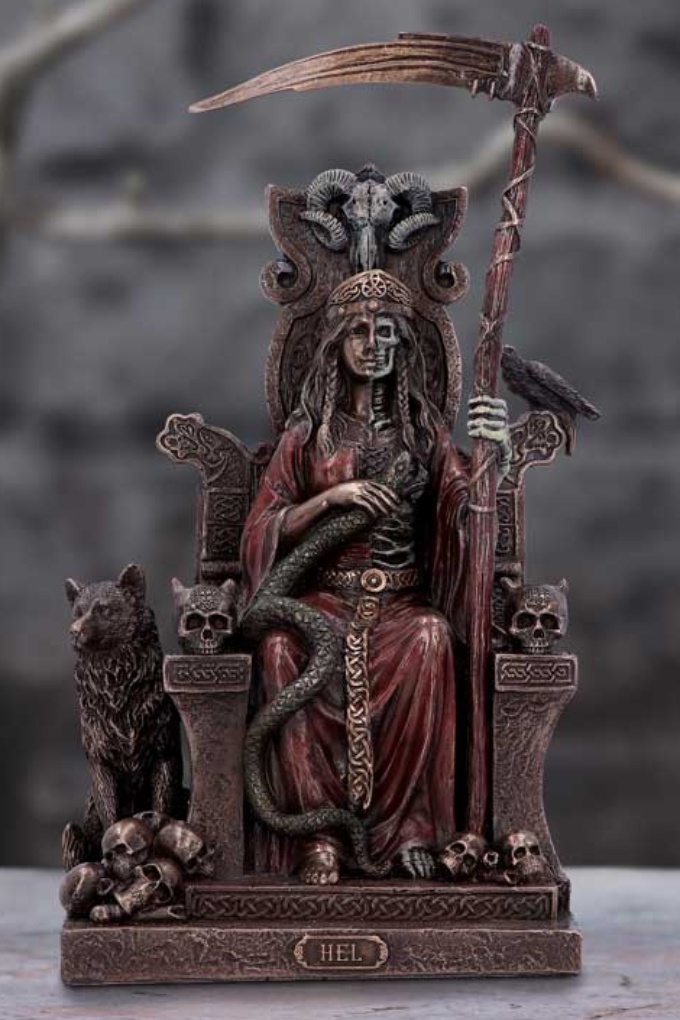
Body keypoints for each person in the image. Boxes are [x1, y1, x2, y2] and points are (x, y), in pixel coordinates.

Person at [241, 269, 509, 885]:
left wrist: (495, 452)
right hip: (322, 598)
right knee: (280, 649)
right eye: (359, 332)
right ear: (336, 344)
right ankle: (319, 835)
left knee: (430, 638)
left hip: (400, 603)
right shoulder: (308, 437)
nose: (373, 344)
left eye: (386, 332)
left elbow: (463, 507)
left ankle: (410, 829)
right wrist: (330, 499)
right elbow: (264, 527)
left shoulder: (422, 433)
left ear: (403, 347)